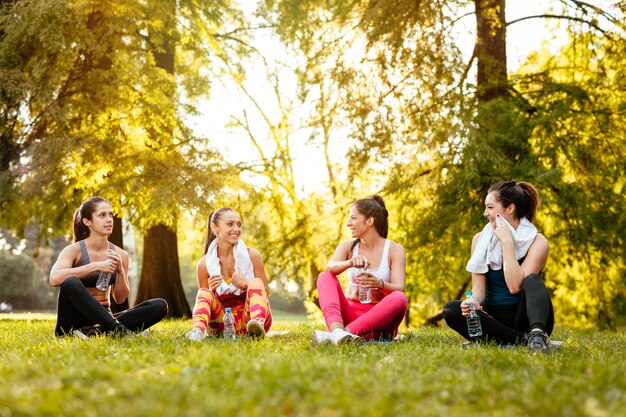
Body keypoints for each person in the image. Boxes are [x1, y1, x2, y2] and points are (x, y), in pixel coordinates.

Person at [442, 180, 554, 352]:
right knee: (451, 310)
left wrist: (507, 242)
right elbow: (479, 291)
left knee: (532, 280)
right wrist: (472, 302)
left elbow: (515, 286)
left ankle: (537, 334)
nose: (485, 213)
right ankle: (525, 340)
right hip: (493, 320)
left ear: (510, 208)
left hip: (525, 318)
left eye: (490, 207)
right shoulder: (480, 239)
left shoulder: (538, 242)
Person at [49, 196, 168, 337]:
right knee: (70, 282)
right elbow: (55, 279)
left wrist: (120, 271)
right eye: (102, 215)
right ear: (87, 222)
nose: (109, 219)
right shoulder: (74, 250)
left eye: (110, 214)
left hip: (104, 317)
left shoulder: (120, 254)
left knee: (159, 306)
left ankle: (97, 331)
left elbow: (119, 298)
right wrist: (95, 266)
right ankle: (118, 330)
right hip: (72, 322)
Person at [314, 195, 408, 345]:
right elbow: (329, 267)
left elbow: (399, 287)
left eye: (353, 218)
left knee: (400, 298)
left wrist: (380, 284)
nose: (348, 223)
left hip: (380, 325)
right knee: (325, 276)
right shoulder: (348, 247)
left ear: (370, 221)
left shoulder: (394, 250)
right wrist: (349, 263)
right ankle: (338, 333)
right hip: (350, 316)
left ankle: (346, 334)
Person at [185, 207, 272, 341]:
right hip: (223, 324)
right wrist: (211, 290)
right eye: (230, 224)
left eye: (239, 224)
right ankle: (196, 332)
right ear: (215, 228)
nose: (236, 229)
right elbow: (205, 304)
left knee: (255, 282)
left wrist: (245, 285)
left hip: (250, 319)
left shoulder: (252, 255)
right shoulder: (204, 265)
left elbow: (265, 292)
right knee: (204, 292)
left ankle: (257, 328)